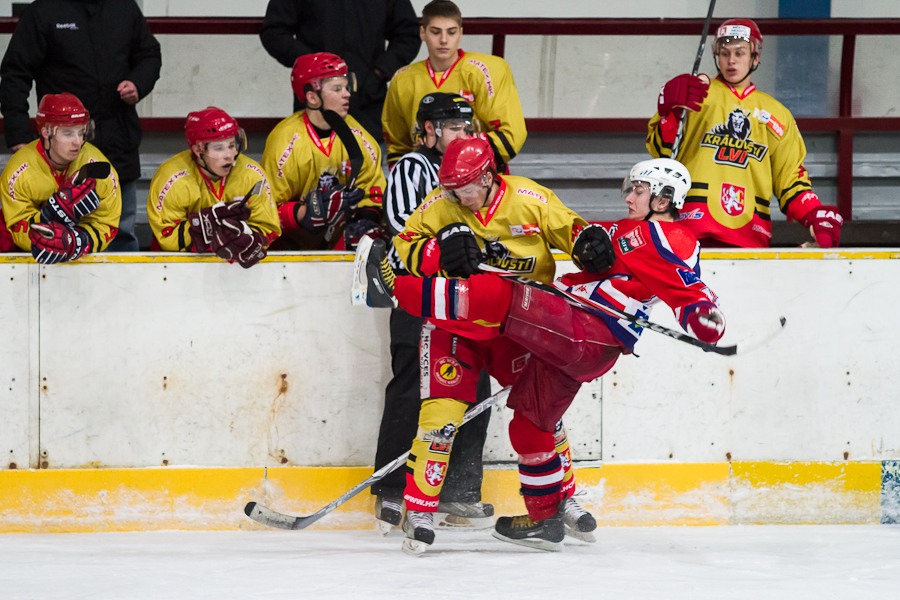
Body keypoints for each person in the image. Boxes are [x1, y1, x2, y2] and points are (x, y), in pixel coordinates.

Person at [357, 157, 726, 552]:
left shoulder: (666, 235)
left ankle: (394, 291)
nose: (629, 196)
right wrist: (586, 239)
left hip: (581, 328)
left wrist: (702, 315)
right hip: (557, 335)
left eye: (639, 190)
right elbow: (590, 240)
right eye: (631, 188)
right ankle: (546, 517)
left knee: (503, 293)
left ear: (663, 199)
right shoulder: (625, 228)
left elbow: (687, 283)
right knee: (531, 423)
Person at [356, 136, 609, 554]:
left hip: (519, 328)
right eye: (452, 189)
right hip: (454, 326)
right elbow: (399, 255)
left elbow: (576, 233)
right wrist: (437, 251)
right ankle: (419, 510)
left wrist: (590, 244)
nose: (458, 197)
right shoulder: (440, 203)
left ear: (489, 177)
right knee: (439, 419)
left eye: (466, 188)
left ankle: (561, 499)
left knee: (542, 414)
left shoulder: (530, 199)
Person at [372, 92, 494, 533]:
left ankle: (459, 489)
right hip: (420, 293)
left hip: (465, 297)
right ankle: (391, 489)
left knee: (475, 385)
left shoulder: (476, 170)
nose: (463, 135)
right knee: (411, 385)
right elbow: (404, 227)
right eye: (454, 127)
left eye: (466, 127)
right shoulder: (412, 167)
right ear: (429, 129)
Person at [647, 18, 843, 249]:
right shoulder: (695, 94)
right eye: (724, 53)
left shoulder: (778, 114)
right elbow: (660, 153)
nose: (731, 60)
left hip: (751, 237)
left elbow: (790, 179)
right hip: (690, 231)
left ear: (755, 58)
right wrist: (669, 112)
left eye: (739, 53)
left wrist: (813, 214)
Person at [0, 0, 162, 252]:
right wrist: (18, 134)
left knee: (121, 232)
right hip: (58, 155)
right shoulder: (44, 11)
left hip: (117, 139)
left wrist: (138, 83)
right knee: (54, 236)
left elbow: (149, 54)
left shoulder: (124, 7)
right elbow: (15, 73)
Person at [261, 52, 387, 251]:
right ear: (312, 97)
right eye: (337, 89)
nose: (347, 94)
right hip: (290, 245)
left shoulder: (361, 138)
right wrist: (303, 213)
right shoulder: (283, 142)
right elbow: (265, 208)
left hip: (338, 241)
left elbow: (373, 194)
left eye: (346, 87)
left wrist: (365, 220)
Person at [381, 0, 527, 171]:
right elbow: (398, 147)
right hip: (425, 181)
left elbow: (511, 136)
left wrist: (457, 154)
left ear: (460, 33)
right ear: (422, 33)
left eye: (451, 32)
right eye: (435, 32)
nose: (444, 40)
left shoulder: (487, 71)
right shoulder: (402, 80)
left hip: (481, 178)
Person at [259, 0, 421, 142]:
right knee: (312, 162)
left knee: (370, 163)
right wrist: (312, 65)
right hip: (316, 105)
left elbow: (408, 34)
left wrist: (380, 72)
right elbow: (274, 32)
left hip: (368, 105)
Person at [146, 107, 281, 267]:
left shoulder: (251, 175)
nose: (229, 155)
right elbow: (166, 236)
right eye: (219, 148)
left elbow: (269, 228)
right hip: (175, 268)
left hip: (235, 268)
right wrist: (206, 230)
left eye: (232, 145)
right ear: (198, 150)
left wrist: (247, 238)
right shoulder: (171, 178)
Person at [0, 93, 121, 264]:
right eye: (68, 133)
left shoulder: (99, 168)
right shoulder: (18, 171)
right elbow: (17, 226)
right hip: (31, 260)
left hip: (84, 260)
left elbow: (106, 223)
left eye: (81, 132)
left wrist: (76, 242)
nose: (77, 142)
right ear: (46, 132)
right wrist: (51, 214)